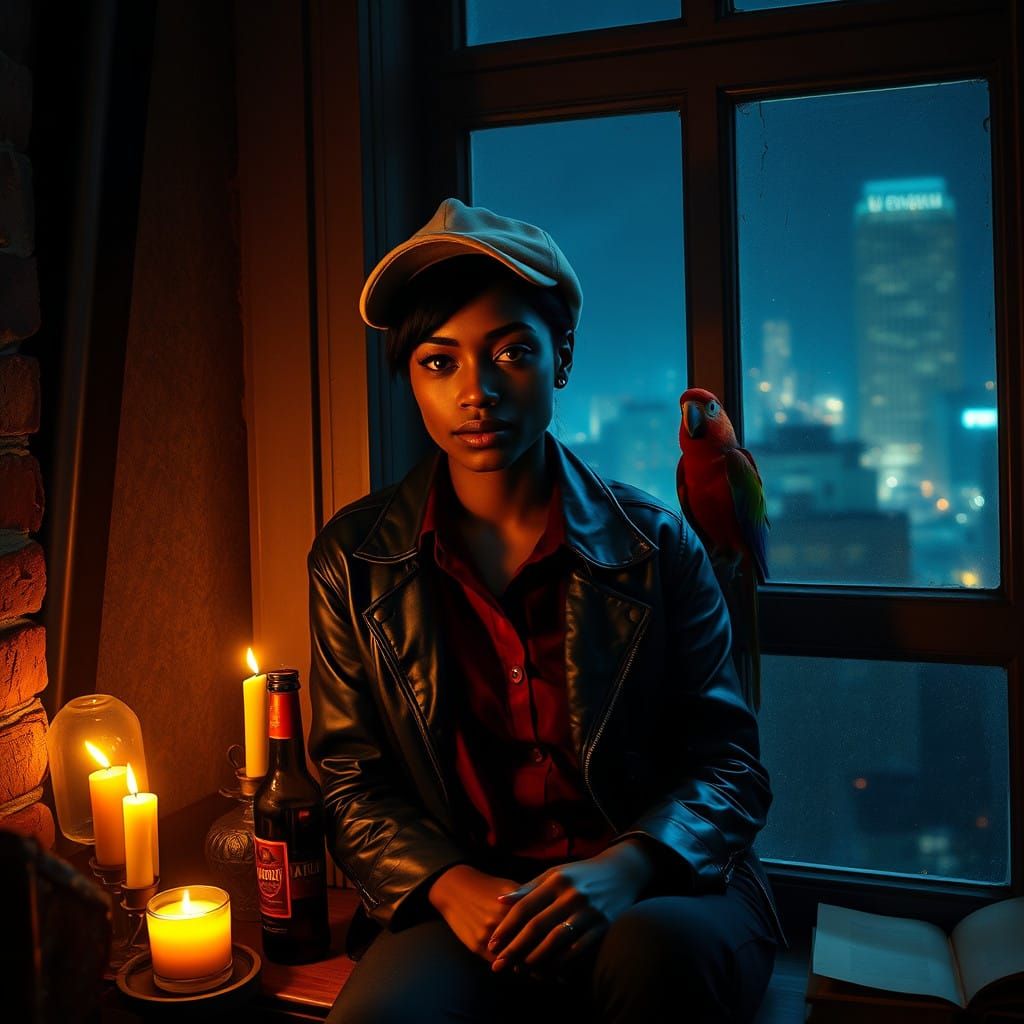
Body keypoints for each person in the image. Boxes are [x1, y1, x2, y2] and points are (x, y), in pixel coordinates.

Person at [307, 198, 788, 1024]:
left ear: (560, 358)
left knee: (653, 964)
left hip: (662, 891)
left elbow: (732, 768)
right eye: (438, 361)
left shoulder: (656, 545)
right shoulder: (355, 560)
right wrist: (452, 888)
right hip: (471, 897)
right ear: (409, 377)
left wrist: (626, 868)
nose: (477, 392)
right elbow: (352, 781)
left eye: (511, 353)